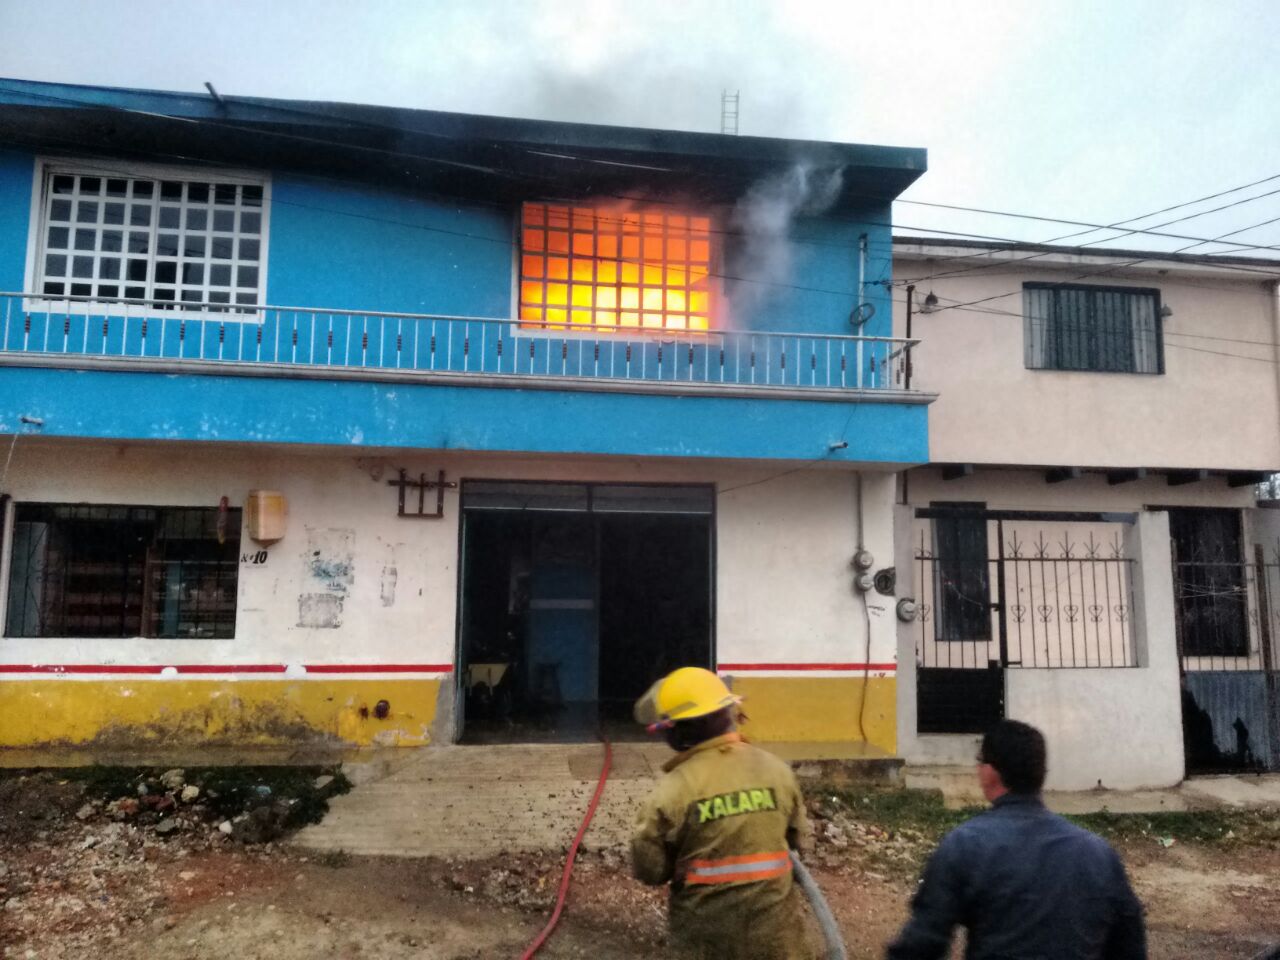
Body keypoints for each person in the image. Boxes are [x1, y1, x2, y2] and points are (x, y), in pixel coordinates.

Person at [886, 719, 1147, 960]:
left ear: (990, 772)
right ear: (1041, 773)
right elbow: (1129, 945)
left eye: (980, 761)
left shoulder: (965, 845)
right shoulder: (1098, 853)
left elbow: (922, 944)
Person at [631, 666, 814, 960]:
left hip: (705, 943)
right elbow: (798, 842)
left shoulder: (671, 793)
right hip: (778, 942)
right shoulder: (777, 771)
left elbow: (649, 870)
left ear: (680, 732)